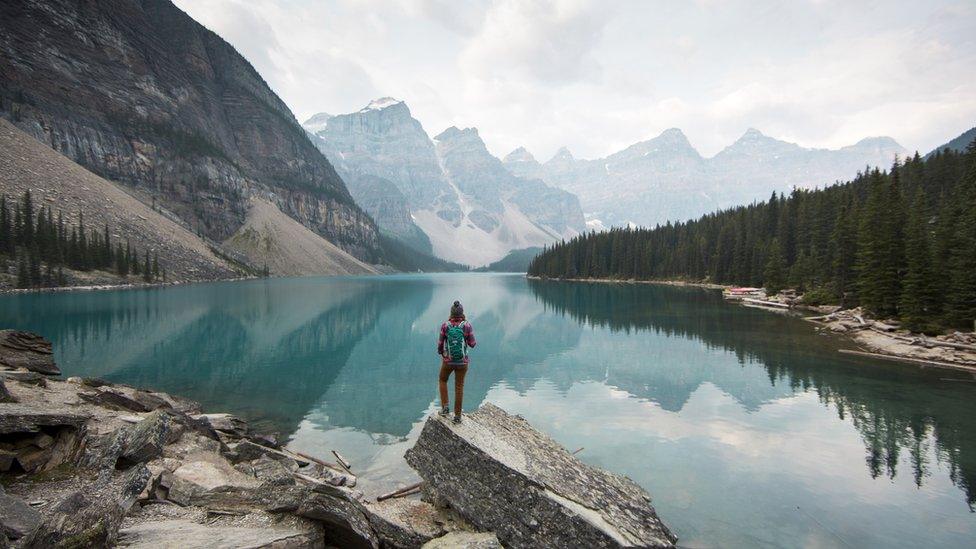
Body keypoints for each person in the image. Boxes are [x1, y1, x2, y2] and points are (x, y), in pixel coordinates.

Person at [437, 300, 476, 424]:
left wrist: (442, 353)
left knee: (443, 380)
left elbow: (440, 344)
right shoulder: (467, 325)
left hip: (448, 361)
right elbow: (473, 344)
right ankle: (457, 416)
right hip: (463, 362)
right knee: (459, 386)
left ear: (451, 313)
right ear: (462, 313)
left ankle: (445, 408)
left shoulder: (445, 325)